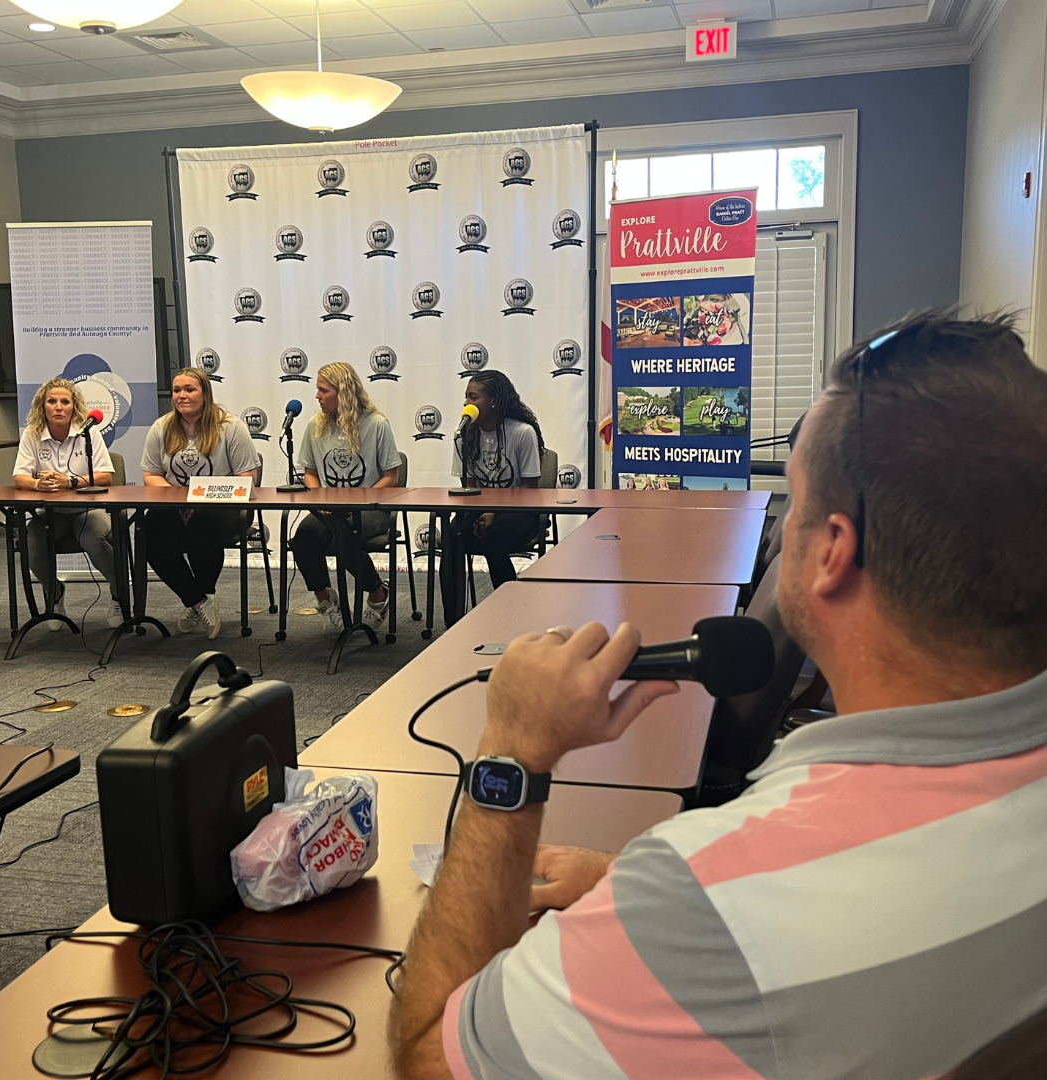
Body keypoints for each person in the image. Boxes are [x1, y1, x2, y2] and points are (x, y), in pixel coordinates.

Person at [389, 312, 1047, 1079]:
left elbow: (429, 1052)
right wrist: (626, 885)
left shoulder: (710, 909)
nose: (781, 527)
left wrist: (512, 749)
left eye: (793, 502)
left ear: (832, 552)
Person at [141, 368, 258, 640]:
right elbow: (151, 475)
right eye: (177, 390)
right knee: (148, 530)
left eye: (189, 389)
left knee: (201, 527)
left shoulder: (231, 427)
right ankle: (199, 601)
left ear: (205, 393)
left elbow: (247, 478)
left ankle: (202, 594)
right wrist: (179, 501)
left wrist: (200, 500)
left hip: (224, 506)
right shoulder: (161, 427)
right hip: (176, 505)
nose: (181, 395)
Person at [289, 362, 401, 631]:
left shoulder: (376, 424)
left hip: (372, 508)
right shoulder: (315, 425)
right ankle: (326, 600)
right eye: (317, 389)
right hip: (329, 507)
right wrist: (319, 498)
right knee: (303, 536)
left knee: (344, 533)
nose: (317, 396)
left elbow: (391, 477)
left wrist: (362, 502)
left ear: (344, 392)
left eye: (324, 390)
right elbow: (310, 472)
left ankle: (378, 593)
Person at [13, 377, 123, 629]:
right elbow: (19, 477)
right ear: (43, 406)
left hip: (88, 510)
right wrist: (38, 484)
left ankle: (119, 593)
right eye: (52, 401)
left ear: (74, 407)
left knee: (92, 536)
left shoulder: (88, 432)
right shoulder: (32, 433)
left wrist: (71, 482)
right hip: (51, 513)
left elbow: (106, 475)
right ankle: (54, 593)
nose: (58, 407)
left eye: (65, 402)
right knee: (31, 540)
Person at [443, 370, 542, 622]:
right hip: (481, 508)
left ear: (494, 401)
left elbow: (529, 488)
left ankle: (510, 611)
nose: (467, 403)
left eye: (474, 397)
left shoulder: (523, 432)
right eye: (466, 397)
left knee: (493, 536)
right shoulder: (463, 437)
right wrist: (481, 512)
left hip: (520, 510)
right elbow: (469, 487)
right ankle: (453, 621)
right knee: (451, 536)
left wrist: (494, 512)